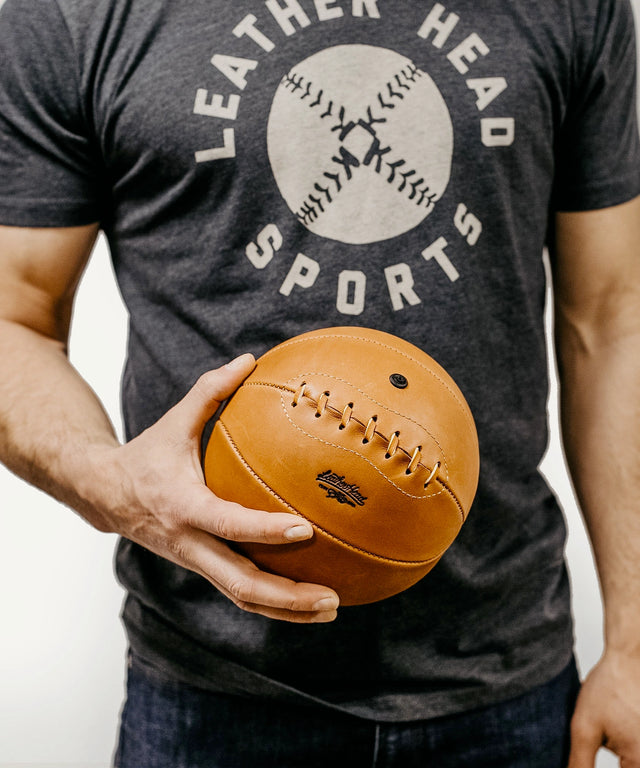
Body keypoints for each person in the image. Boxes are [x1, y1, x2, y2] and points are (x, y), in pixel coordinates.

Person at [1, 0, 639, 765]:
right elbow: (14, 315)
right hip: (209, 688)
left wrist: (635, 643)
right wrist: (112, 485)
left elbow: (611, 318)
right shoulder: (68, 13)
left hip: (507, 678)